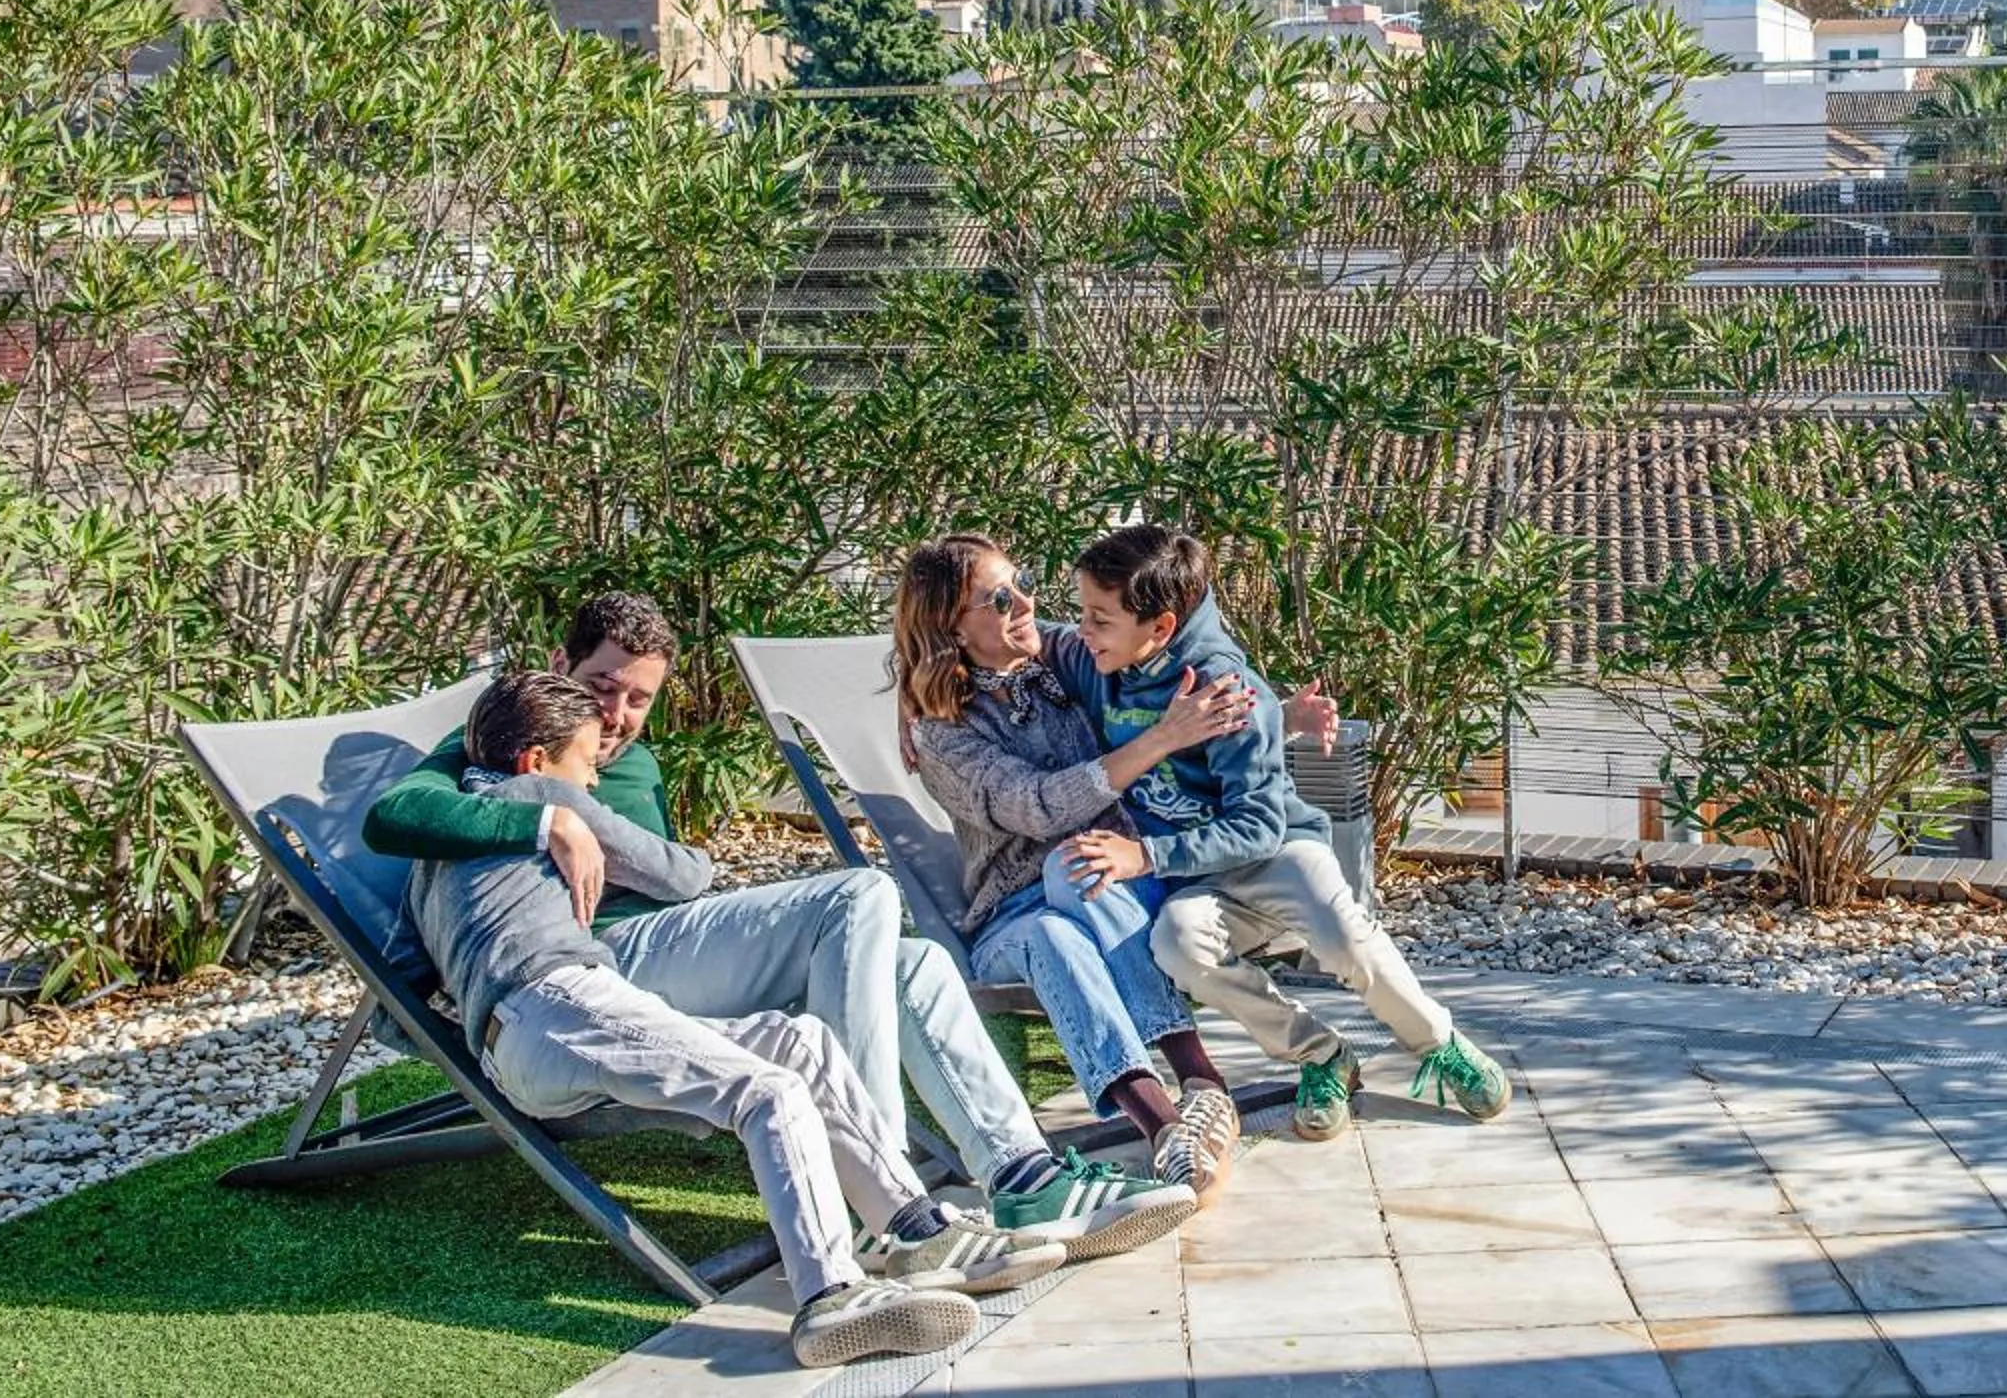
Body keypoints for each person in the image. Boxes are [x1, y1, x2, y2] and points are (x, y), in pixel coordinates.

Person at [365, 591, 1190, 1255]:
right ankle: (884, 1188)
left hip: (675, 953)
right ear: (559, 669)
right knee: (856, 895)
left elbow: (682, 881)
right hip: (592, 967)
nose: (614, 715)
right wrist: (550, 822)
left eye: (637, 699)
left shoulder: (633, 759)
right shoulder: (511, 746)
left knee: (916, 964)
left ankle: (1020, 1173)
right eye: (601, 687)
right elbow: (397, 814)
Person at [415, 672, 1060, 1367]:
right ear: (536, 762)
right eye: (586, 766)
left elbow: (412, 975)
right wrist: (604, 831)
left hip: (537, 1024)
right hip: (554, 1001)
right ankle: (830, 1297)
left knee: (801, 1043)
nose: (595, 784)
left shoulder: (430, 853)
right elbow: (677, 875)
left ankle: (914, 1230)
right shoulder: (543, 797)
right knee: (770, 1088)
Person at [891, 536, 1328, 1199]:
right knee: (1059, 909)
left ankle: (1198, 1090)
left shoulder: (1058, 656)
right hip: (1014, 919)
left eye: (1025, 580)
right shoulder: (941, 734)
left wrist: (1272, 712)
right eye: (1001, 597)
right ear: (951, 625)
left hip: (1121, 881)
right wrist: (1163, 740)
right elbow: (1038, 807)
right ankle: (1169, 1120)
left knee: (1082, 867)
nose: (1027, 603)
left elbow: (1164, 645)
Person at [1061, 524, 1513, 1143]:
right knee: (1179, 944)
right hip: (1202, 877)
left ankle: (1438, 1042)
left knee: (1340, 935)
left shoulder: (1223, 689)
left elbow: (1257, 825)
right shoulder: (1103, 660)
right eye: (1082, 614)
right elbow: (1016, 648)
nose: (1083, 630)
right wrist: (911, 707)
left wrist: (1144, 854)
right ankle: (1323, 1056)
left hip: (1276, 853)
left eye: (1098, 618)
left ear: (1161, 627)